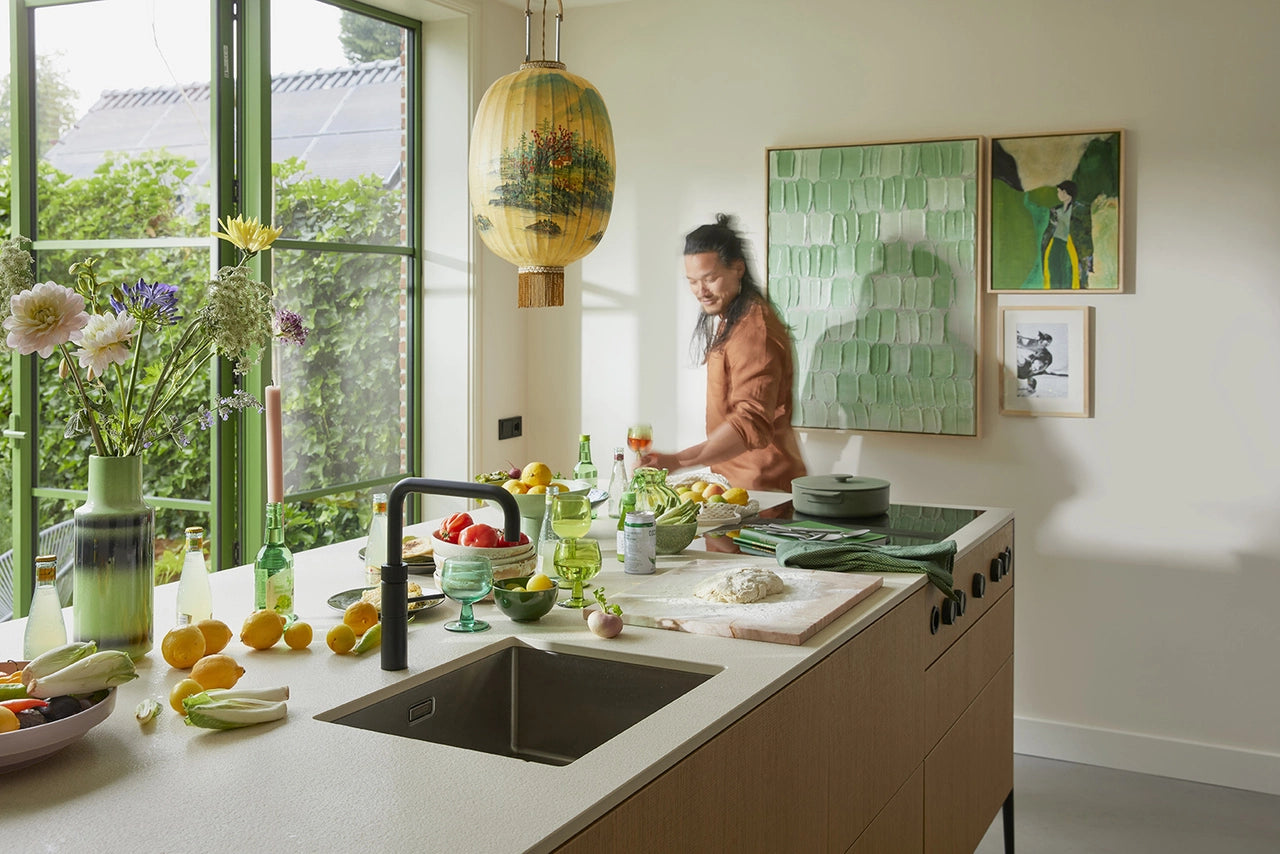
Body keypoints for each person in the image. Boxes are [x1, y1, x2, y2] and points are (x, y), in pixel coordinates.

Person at [640, 214, 807, 492]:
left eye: (710, 279)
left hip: (762, 490)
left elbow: (749, 421)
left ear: (738, 268)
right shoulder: (734, 318)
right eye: (692, 281)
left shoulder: (754, 329)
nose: (700, 291)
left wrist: (677, 460)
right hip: (735, 486)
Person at [1026, 180, 1093, 289]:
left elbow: (1085, 233)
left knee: (1069, 274)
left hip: (1070, 246)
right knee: (1053, 273)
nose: (1058, 194)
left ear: (1066, 193)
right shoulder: (1055, 210)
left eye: (1059, 191)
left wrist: (1087, 256)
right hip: (1054, 245)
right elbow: (1049, 230)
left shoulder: (1080, 210)